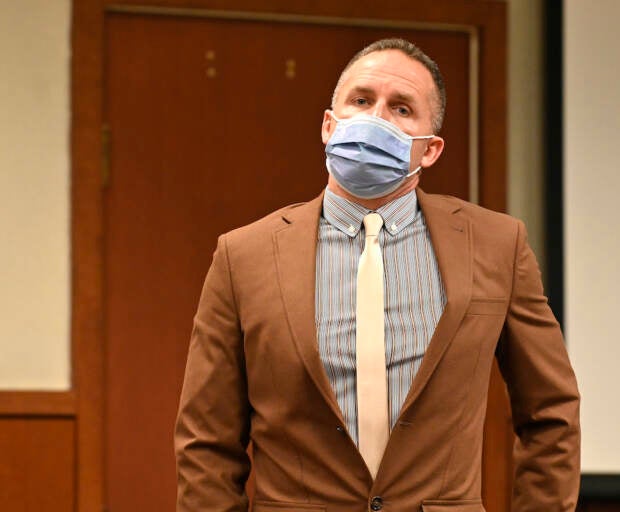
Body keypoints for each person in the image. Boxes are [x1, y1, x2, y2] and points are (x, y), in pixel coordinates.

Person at [175, 38, 580, 512]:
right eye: (361, 101)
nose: (375, 119)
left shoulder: (496, 246)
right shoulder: (243, 255)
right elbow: (207, 440)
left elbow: (550, 414)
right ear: (329, 125)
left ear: (429, 150)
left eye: (402, 108)